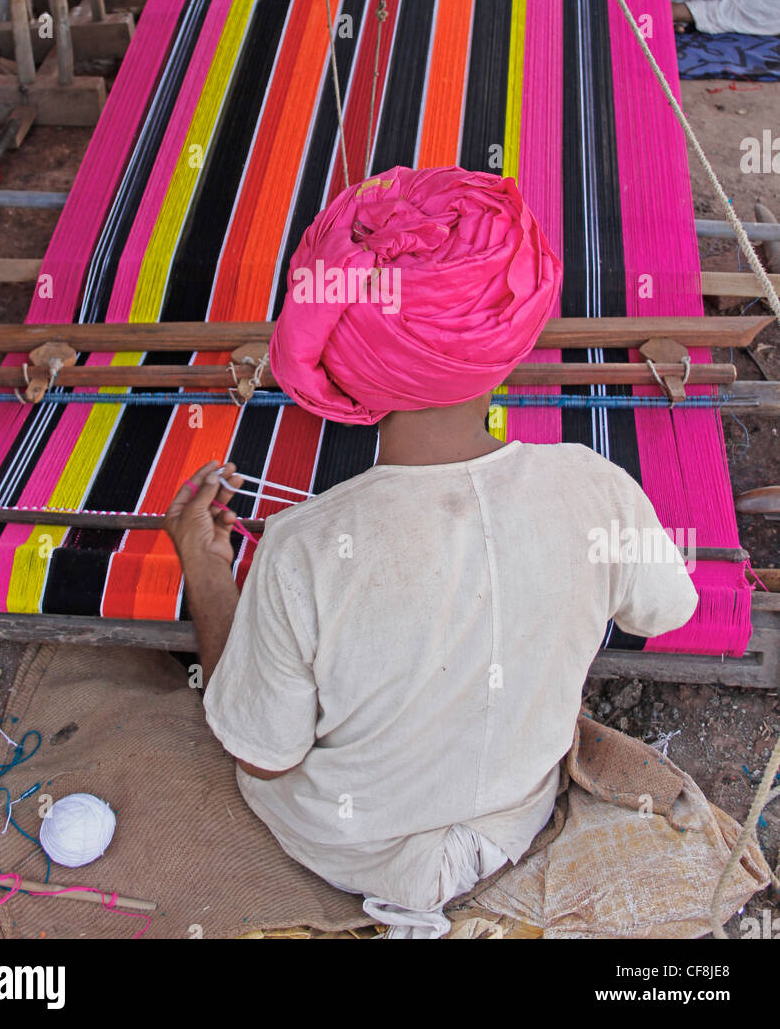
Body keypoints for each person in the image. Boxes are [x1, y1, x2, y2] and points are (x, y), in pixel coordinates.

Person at [165, 166, 704, 939]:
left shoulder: (302, 548)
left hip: (343, 846)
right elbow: (669, 607)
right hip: (511, 823)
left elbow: (265, 756)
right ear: (510, 339)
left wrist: (205, 572)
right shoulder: (596, 489)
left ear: (349, 365)